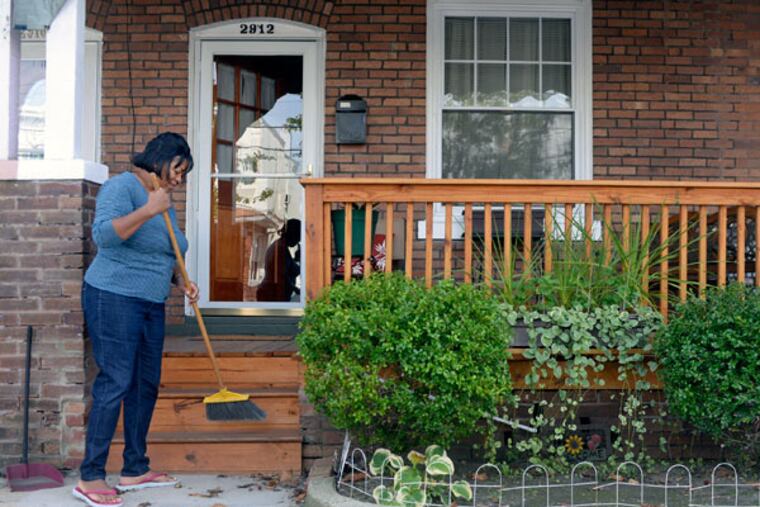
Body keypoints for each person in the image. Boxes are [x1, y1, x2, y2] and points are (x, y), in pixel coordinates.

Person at [73, 132, 199, 507]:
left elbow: (165, 250)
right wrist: (149, 208)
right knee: (115, 381)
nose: (179, 179)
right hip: (112, 296)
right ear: (160, 158)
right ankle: (90, 476)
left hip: (150, 301)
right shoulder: (122, 187)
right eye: (177, 169)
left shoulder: (165, 200)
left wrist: (182, 281)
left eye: (184, 174)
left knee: (145, 384)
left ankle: (134, 468)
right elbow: (105, 238)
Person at [256, 218, 301, 302]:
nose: (299, 241)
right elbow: (282, 276)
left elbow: (292, 270)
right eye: (298, 237)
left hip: (274, 293)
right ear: (293, 234)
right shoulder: (280, 248)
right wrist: (296, 289)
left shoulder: (281, 247)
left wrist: (297, 259)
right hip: (272, 294)